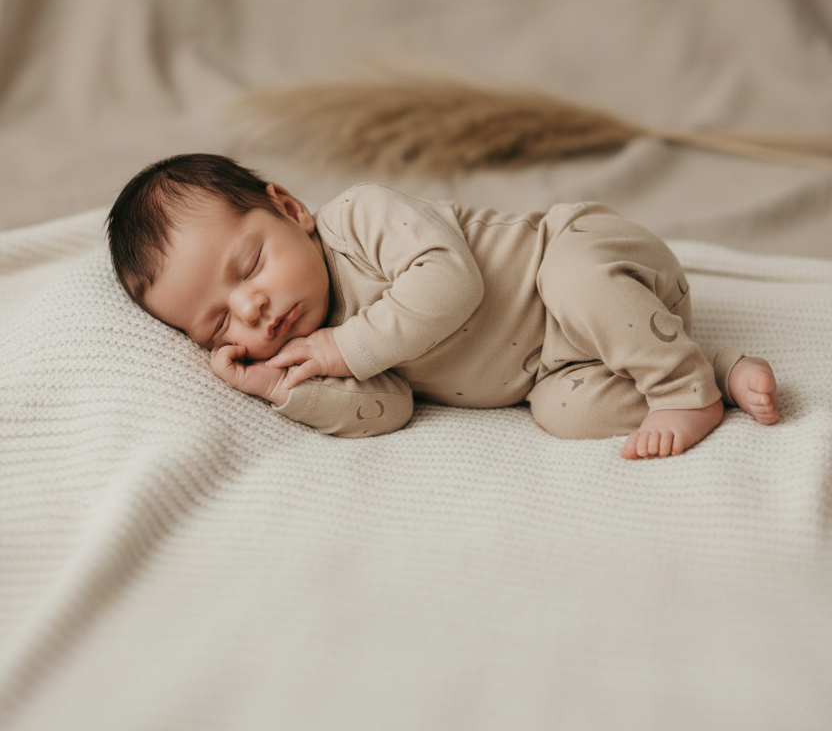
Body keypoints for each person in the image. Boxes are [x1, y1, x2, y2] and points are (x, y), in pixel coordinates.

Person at [107, 154, 779, 458]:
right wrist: (281, 385)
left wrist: (343, 348)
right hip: (553, 367)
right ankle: (712, 369)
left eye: (249, 266)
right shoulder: (312, 345)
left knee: (578, 284)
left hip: (582, 258)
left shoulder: (356, 218)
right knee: (565, 416)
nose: (251, 308)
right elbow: (388, 408)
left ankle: (681, 389)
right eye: (219, 323)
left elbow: (451, 282)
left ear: (289, 208)